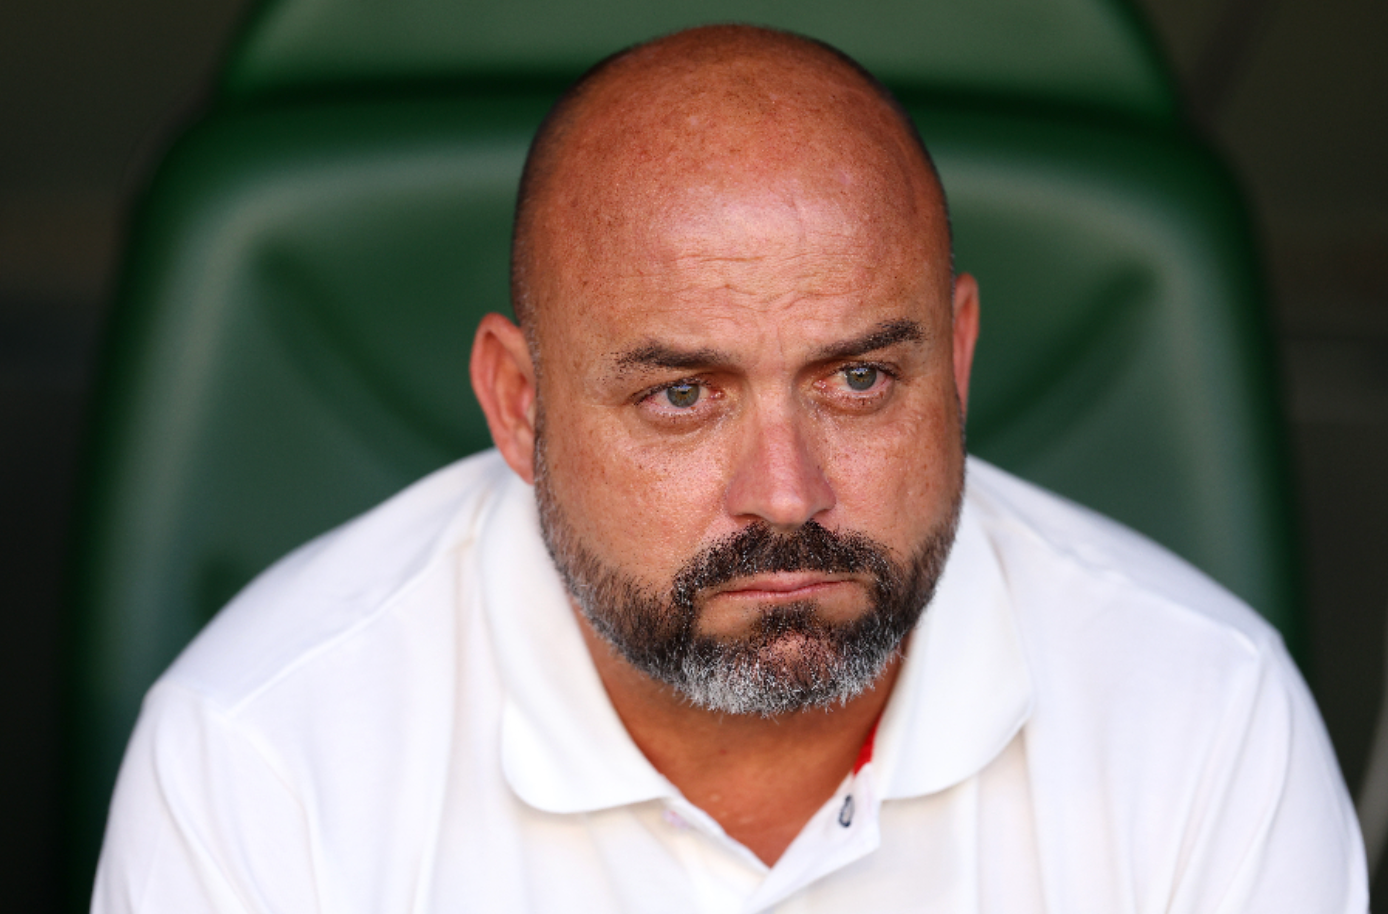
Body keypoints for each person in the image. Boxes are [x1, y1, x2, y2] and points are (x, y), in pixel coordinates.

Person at [92, 24, 1366, 913]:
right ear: (518, 406)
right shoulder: (258, 754)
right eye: (681, 395)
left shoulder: (1204, 720)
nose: (786, 490)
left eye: (858, 378)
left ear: (960, 358)